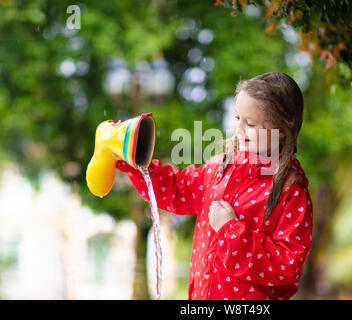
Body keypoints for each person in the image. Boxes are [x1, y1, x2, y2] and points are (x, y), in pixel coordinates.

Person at [115, 72, 313, 300]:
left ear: (282, 131)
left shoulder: (291, 192)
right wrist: (132, 160)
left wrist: (230, 230)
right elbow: (176, 188)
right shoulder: (219, 168)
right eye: (237, 118)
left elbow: (287, 264)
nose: (239, 128)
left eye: (251, 123)